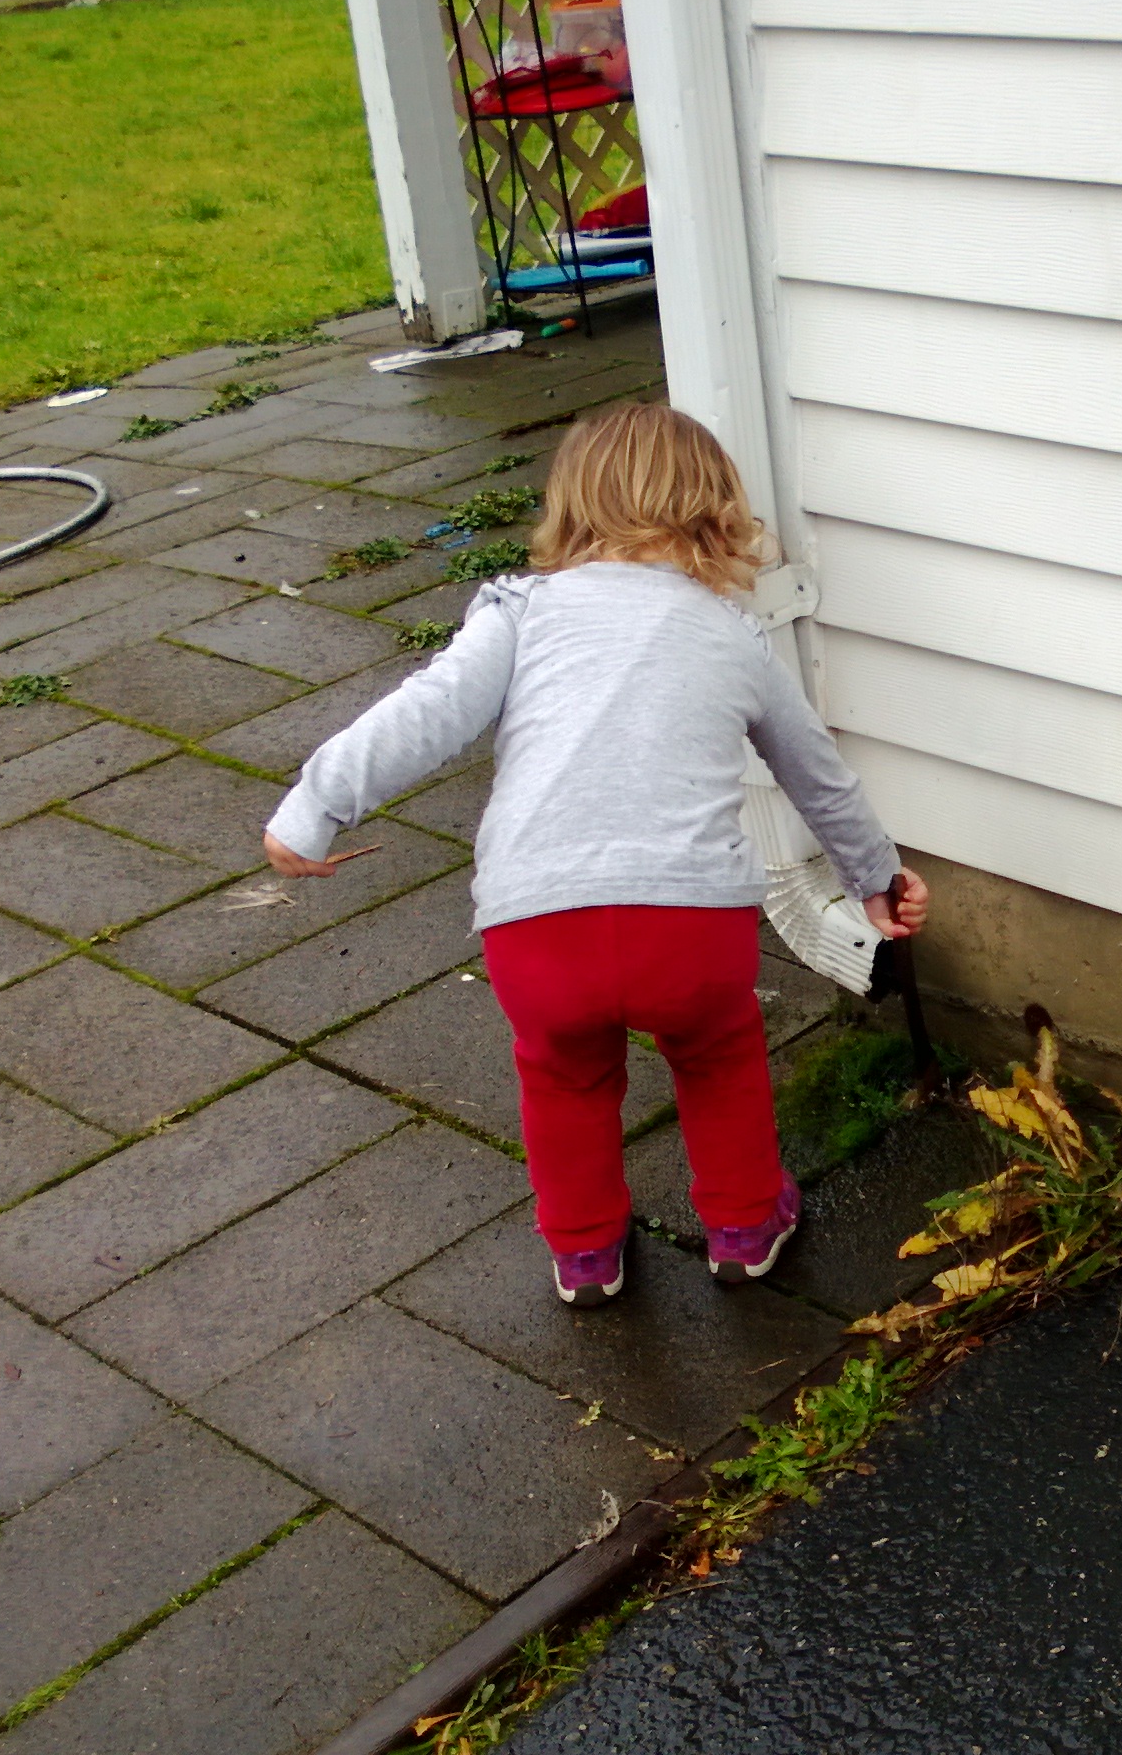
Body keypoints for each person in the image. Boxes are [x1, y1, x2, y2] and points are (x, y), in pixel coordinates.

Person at [261, 401, 924, 1307]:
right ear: (718, 513)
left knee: (563, 1077)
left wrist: (314, 806)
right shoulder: (732, 636)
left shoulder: (522, 613)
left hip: (540, 923)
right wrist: (875, 879)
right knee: (718, 1056)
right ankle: (744, 1227)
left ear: (571, 504)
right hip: (691, 927)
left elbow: (426, 713)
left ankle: (584, 1253)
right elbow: (819, 775)